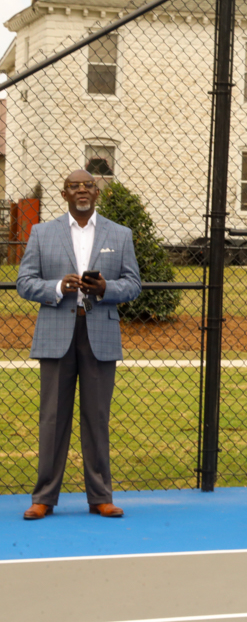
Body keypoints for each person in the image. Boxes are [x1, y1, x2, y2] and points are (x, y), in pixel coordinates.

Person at [16, 169, 142, 520]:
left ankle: (100, 497)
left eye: (88, 185)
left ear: (97, 193)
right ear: (64, 194)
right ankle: (44, 498)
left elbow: (133, 284)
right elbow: (24, 282)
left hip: (99, 334)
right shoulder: (42, 233)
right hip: (56, 334)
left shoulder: (120, 234)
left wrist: (105, 289)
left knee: (96, 418)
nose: (82, 190)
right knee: (52, 419)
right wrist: (58, 288)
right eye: (75, 187)